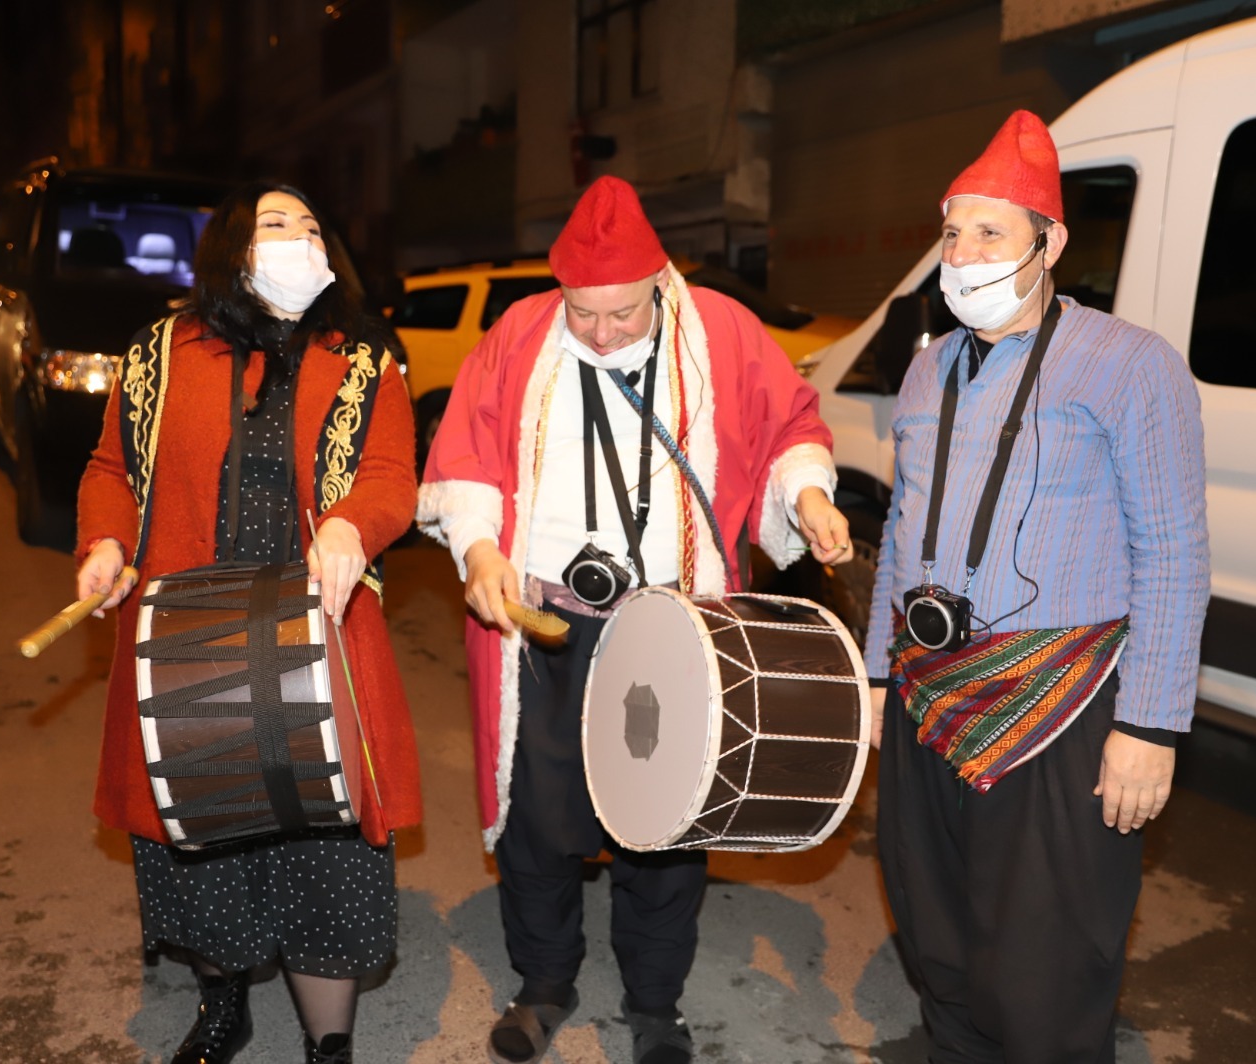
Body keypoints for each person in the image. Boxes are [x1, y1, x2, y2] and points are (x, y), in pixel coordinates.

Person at [417, 175, 853, 1064]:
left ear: (659, 282)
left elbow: (788, 426)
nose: (603, 332)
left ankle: (657, 1003)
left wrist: (806, 495)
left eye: (622, 314)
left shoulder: (723, 330)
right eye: (585, 314)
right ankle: (543, 986)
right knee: (537, 823)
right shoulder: (520, 335)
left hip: (671, 625)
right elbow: (464, 447)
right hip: (543, 623)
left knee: (665, 821)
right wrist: (478, 549)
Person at [863, 110, 1210, 1062]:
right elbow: (901, 526)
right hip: (928, 695)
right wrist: (873, 680)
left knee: (1045, 962)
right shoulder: (929, 367)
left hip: (1061, 706)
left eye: (991, 232)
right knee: (938, 938)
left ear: (1049, 243)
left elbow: (1174, 553)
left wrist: (1150, 728)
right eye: (952, 231)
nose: (964, 252)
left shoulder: (1131, 365)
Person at [74, 181, 422, 1064]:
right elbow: (111, 466)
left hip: (318, 634)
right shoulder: (160, 351)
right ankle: (223, 1007)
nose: (301, 239)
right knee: (209, 839)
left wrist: (352, 522)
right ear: (234, 247)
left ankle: (329, 1042)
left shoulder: (364, 357)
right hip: (191, 634)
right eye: (277, 225)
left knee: (324, 850)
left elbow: (389, 473)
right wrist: (106, 544)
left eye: (314, 226)